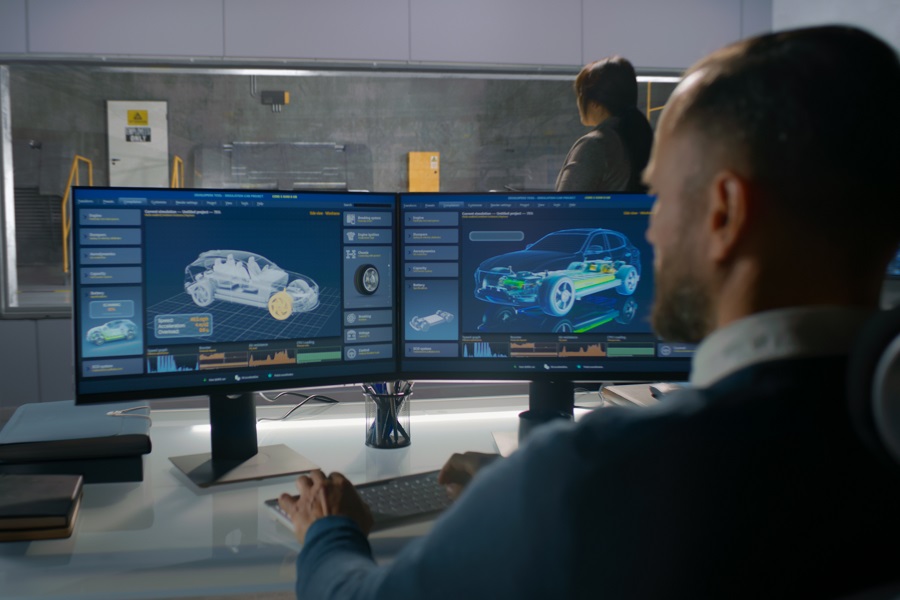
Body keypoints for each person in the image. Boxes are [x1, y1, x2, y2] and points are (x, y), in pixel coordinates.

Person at [279, 25, 900, 599]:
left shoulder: (588, 479)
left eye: (657, 196)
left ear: (724, 214)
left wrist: (329, 531)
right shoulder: (871, 444)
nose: (647, 228)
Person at [554, 55, 653, 192]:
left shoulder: (595, 145)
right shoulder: (645, 139)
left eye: (580, 95)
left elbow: (563, 208)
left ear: (595, 103)